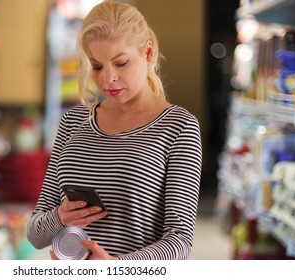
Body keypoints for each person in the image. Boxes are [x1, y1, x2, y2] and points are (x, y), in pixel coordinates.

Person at [27, 0, 202, 260]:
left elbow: (180, 241)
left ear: (148, 53)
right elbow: (35, 234)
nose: (108, 78)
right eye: (96, 66)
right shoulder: (74, 122)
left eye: (121, 63)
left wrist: (117, 266)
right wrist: (60, 217)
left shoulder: (179, 127)